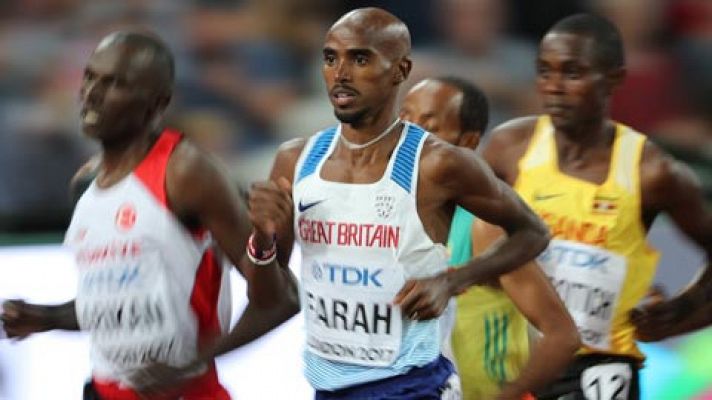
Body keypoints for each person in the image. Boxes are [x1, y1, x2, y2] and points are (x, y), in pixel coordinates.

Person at [256, 7, 553, 400]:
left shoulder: (437, 163)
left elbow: (533, 232)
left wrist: (453, 280)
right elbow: (272, 298)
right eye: (331, 58)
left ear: (400, 69)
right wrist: (262, 242)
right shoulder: (296, 161)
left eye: (359, 58)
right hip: (326, 386)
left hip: (412, 387)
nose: (340, 73)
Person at [0, 31, 300, 400]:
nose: (91, 94)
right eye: (90, 77)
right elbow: (117, 304)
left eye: (115, 84)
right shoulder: (84, 183)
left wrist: (194, 362)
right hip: (102, 391)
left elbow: (280, 299)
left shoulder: (186, 171)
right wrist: (46, 318)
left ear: (158, 103)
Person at [480, 13, 712, 399]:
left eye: (572, 73)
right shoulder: (510, 148)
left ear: (614, 79)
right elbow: (454, 227)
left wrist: (680, 312)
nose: (554, 87)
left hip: (598, 369)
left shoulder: (651, 171)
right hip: (517, 359)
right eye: (545, 71)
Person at [400, 76, 579, 400]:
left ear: (467, 142)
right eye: (405, 119)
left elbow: (561, 335)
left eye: (428, 126)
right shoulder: (381, 213)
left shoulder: (482, 227)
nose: (409, 137)